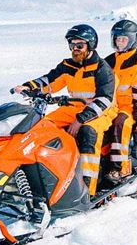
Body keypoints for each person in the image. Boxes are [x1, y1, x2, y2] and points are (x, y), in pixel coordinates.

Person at [13, 24, 117, 195]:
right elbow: (49, 81)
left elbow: (104, 100)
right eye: (72, 45)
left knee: (88, 132)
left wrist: (80, 120)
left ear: (90, 46)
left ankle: (87, 190)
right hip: (73, 108)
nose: (75, 49)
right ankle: (44, 176)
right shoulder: (68, 65)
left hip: (100, 111)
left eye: (79, 45)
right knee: (41, 127)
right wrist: (27, 87)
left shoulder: (102, 69)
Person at [104, 20, 137, 182]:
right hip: (109, 105)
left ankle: (119, 168)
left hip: (128, 108)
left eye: (123, 39)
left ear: (132, 40)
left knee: (120, 124)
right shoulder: (108, 60)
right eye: (117, 39)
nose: (120, 43)